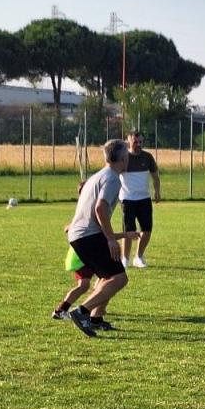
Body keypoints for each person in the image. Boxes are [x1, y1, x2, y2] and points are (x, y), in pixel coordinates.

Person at [58, 139, 131, 337]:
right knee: (119, 278)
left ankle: (95, 318)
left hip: (80, 234)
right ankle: (82, 312)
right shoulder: (113, 178)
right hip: (89, 234)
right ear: (123, 158)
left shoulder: (98, 176)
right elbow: (100, 208)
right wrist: (111, 239)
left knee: (107, 276)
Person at [119, 130, 161, 268]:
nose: (138, 144)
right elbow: (113, 175)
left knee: (147, 229)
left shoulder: (147, 157)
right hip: (127, 199)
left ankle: (139, 257)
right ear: (129, 142)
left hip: (144, 198)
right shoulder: (123, 158)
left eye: (140, 142)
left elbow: (155, 176)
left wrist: (157, 192)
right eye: (135, 142)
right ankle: (125, 259)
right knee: (128, 230)